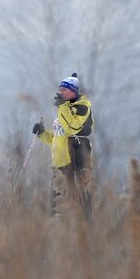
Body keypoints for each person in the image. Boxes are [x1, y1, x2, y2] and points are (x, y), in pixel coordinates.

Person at [32, 73, 94, 216]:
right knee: (56, 207)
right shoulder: (64, 109)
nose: (61, 92)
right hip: (59, 164)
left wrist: (62, 107)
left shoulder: (81, 108)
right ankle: (57, 234)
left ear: (74, 91)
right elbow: (58, 139)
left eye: (64, 89)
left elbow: (72, 128)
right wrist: (42, 134)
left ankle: (85, 233)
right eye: (60, 89)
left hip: (76, 159)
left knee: (79, 204)